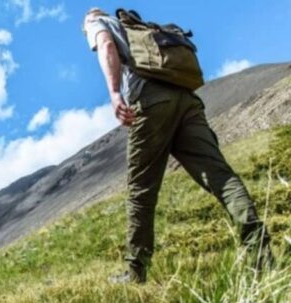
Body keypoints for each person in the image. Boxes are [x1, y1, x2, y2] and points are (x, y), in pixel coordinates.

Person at [82, 8, 273, 284]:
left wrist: (114, 93)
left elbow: (106, 45)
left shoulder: (97, 22)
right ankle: (260, 255)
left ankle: (136, 272)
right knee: (221, 177)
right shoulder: (143, 28)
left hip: (150, 101)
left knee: (140, 191)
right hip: (187, 99)